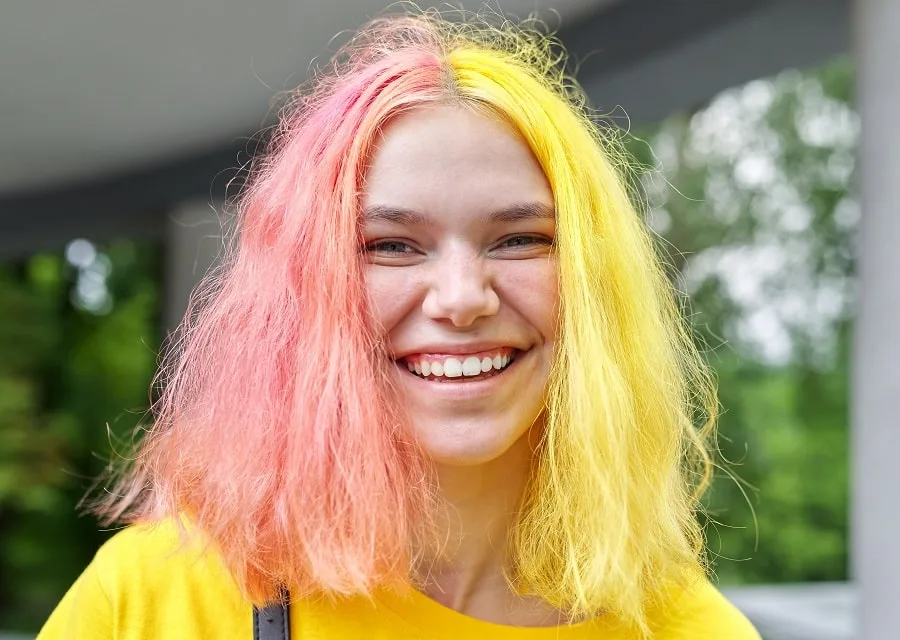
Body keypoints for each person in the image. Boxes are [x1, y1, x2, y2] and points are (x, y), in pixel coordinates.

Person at [38, 9, 760, 640]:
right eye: (391, 246)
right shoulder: (151, 602)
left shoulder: (692, 631)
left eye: (519, 239)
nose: (461, 297)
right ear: (305, 292)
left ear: (597, 286)